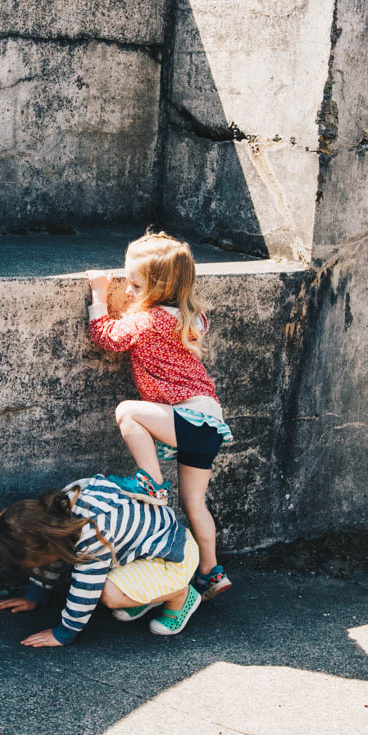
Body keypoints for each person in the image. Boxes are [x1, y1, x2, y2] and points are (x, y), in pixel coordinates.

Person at [86, 230, 233, 599]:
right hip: (210, 422)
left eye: (135, 285)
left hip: (188, 417)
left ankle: (151, 482)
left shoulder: (148, 321)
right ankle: (212, 572)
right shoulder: (191, 317)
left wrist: (100, 296)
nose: (130, 291)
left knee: (128, 412)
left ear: (157, 288)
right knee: (194, 503)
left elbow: (108, 338)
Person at [0, 474, 201, 647]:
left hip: (174, 557)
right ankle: (148, 594)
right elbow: (54, 555)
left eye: (37, 563)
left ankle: (180, 595)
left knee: (109, 594)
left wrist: (63, 634)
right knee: (107, 584)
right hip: (151, 550)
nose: (39, 567)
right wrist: (34, 596)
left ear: (45, 545)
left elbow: (86, 589)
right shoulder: (63, 504)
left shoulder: (93, 532)